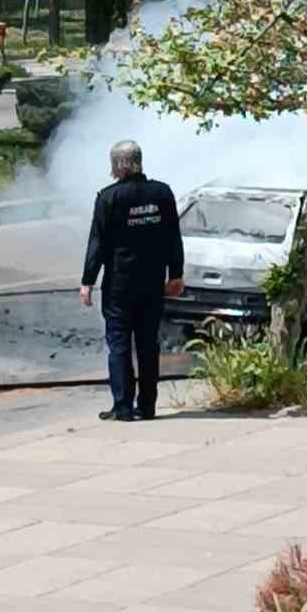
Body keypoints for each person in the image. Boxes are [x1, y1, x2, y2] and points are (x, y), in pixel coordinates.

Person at [80, 140, 185, 422]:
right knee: (148, 345)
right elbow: (173, 237)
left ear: (117, 166)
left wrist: (87, 281)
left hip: (119, 286)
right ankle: (148, 406)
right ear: (139, 161)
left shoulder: (108, 197)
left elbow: (98, 243)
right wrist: (176, 273)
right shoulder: (162, 193)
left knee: (120, 345)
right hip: (152, 284)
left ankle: (123, 407)